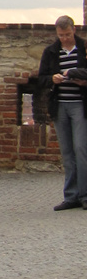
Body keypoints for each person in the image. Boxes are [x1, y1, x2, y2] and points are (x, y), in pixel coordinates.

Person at [38, 16, 87, 210]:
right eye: (61, 35)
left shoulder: (84, 48)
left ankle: (84, 194)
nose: (64, 38)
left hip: (80, 105)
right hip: (60, 105)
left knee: (81, 149)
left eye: (67, 34)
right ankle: (71, 196)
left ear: (73, 30)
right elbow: (40, 78)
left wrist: (79, 78)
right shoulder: (51, 52)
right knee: (67, 153)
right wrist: (52, 79)